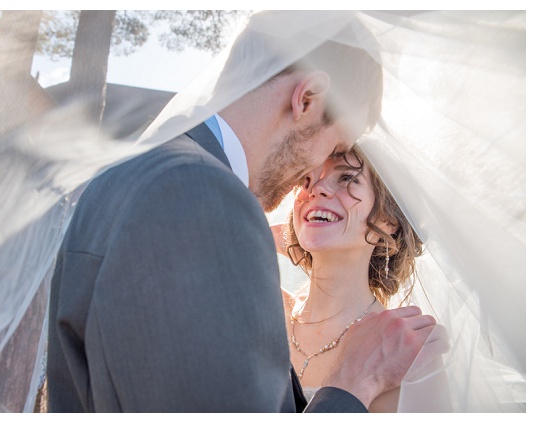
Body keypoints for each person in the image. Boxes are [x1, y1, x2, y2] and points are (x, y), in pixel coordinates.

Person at [47, 12, 440, 412]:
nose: (315, 180)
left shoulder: (126, 180)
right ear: (306, 99)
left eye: (344, 168)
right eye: (335, 146)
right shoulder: (203, 197)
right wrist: (352, 385)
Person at [271, 146, 452, 412]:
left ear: (389, 220)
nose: (316, 189)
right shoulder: (259, 306)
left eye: (347, 178)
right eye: (307, 178)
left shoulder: (405, 350)